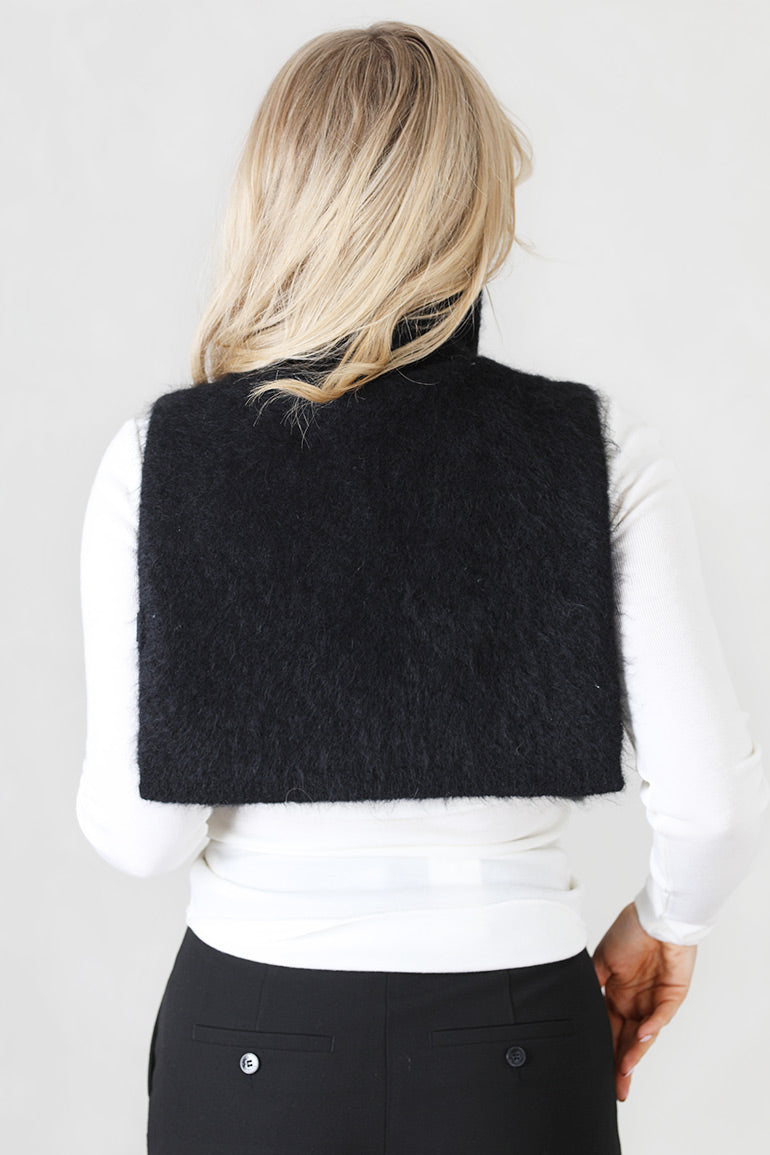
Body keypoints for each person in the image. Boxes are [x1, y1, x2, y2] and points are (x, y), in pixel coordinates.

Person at [76, 21, 769, 1155]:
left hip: (251, 1041)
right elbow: (713, 808)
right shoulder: (595, 449)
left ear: (273, 197)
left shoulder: (162, 458)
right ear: (474, 212)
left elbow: (142, 838)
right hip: (516, 1047)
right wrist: (665, 923)